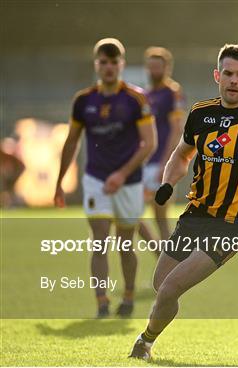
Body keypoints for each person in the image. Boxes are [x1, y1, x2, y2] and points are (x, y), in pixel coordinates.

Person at [128, 44, 238, 361]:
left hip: (233, 224)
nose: (234, 81)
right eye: (228, 74)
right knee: (160, 285)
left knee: (169, 288)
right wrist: (169, 182)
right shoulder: (201, 113)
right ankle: (149, 337)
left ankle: (144, 341)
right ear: (217, 75)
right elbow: (182, 153)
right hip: (195, 215)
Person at [54, 38, 157, 318]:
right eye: (103, 62)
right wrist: (60, 181)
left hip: (129, 182)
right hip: (96, 179)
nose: (109, 67)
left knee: (126, 243)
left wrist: (122, 174)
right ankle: (101, 302)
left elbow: (149, 143)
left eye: (114, 62)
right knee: (99, 240)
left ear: (121, 65)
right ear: (96, 64)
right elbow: (71, 142)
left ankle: (128, 297)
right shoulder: (83, 101)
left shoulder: (135, 99)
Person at [138, 46, 187, 248]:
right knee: (129, 215)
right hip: (145, 163)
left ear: (167, 68)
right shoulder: (146, 95)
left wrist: (166, 164)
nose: (153, 71)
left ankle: (166, 265)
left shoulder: (172, 93)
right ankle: (162, 256)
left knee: (160, 218)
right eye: (150, 67)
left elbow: (177, 130)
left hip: (160, 164)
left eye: (157, 67)